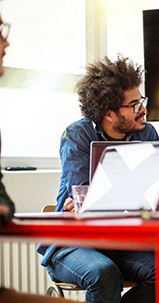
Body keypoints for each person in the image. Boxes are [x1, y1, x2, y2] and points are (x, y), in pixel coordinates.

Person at [36, 55, 159, 303]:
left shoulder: (146, 133)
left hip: (122, 241)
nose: (143, 109)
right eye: (134, 104)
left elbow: (150, 191)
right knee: (104, 274)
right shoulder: (78, 135)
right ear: (109, 113)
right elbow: (80, 197)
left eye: (141, 100)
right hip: (72, 242)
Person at [0, 9, 76, 303]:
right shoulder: (77, 134)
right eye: (0, 31)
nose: (7, 44)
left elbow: (5, 201)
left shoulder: (147, 135)